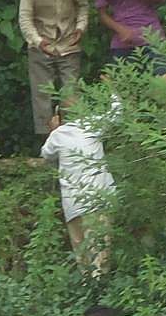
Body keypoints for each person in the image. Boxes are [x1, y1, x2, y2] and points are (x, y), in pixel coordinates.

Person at [40, 98, 119, 275]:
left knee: (82, 256)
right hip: (98, 200)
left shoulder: (58, 135)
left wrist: (53, 130)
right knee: (100, 254)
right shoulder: (94, 125)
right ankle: (99, 292)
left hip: (73, 205)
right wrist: (113, 91)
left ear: (60, 116)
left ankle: (87, 290)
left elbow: (46, 154)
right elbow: (117, 113)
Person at [18, 0, 89, 142]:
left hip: (69, 43)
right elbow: (25, 17)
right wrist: (38, 42)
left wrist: (80, 28)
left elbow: (82, 6)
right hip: (41, 43)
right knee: (42, 95)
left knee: (71, 93)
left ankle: (74, 140)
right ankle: (46, 143)